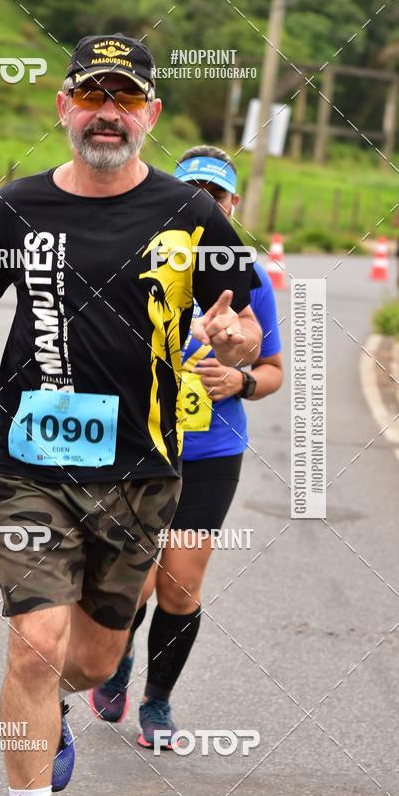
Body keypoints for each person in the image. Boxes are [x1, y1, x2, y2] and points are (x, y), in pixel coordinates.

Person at [0, 33, 262, 796]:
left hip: (140, 471)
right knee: (35, 645)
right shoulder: (15, 206)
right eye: (93, 96)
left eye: (125, 100)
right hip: (29, 463)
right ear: (64, 107)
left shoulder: (191, 214)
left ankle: (58, 708)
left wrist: (233, 341)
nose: (108, 114)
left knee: (86, 660)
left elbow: (245, 324)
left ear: (151, 114)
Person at [91, 145, 283, 749]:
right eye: (192, 191)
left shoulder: (250, 282)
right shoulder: (141, 263)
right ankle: (115, 662)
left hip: (210, 454)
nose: (203, 204)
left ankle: (157, 702)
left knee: (178, 585)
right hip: (140, 447)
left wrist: (241, 378)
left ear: (232, 206)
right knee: (135, 581)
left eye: (216, 196)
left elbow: (273, 369)